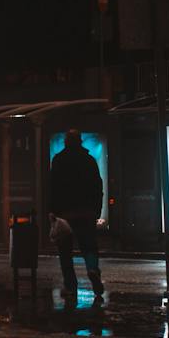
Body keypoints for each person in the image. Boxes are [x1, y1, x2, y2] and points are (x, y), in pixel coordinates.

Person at [49, 128, 105, 302]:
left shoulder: (58, 160)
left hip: (65, 214)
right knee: (88, 246)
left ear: (66, 142)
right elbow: (98, 186)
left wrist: (52, 211)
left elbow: (52, 187)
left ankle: (70, 287)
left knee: (65, 252)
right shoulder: (89, 160)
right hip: (87, 212)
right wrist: (96, 210)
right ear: (80, 142)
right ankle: (92, 269)